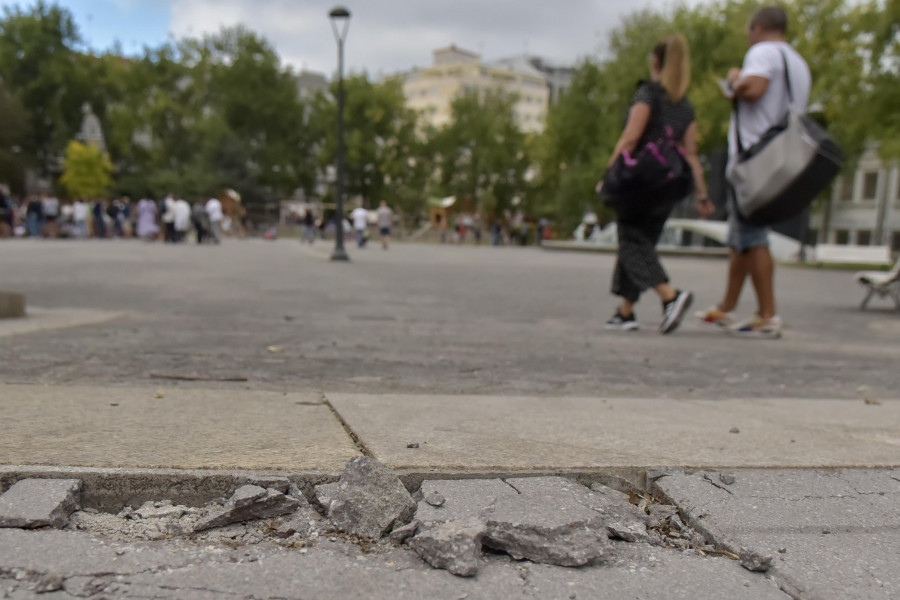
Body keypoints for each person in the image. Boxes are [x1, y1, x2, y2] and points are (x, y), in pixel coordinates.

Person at [694, 6, 809, 339]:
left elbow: (754, 89)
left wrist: (734, 80)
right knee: (741, 236)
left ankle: (767, 314)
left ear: (757, 28)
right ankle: (727, 306)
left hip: (754, 159)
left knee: (753, 235)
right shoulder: (797, 63)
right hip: (782, 159)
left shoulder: (762, 53)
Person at [599, 34, 713, 334]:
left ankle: (670, 296)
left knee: (631, 242)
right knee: (640, 241)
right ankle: (626, 312)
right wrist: (702, 194)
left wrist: (610, 173)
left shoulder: (647, 94)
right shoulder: (685, 107)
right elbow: (690, 155)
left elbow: (631, 137)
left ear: (655, 61)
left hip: (639, 181)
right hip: (667, 185)